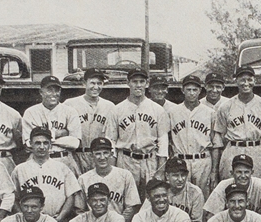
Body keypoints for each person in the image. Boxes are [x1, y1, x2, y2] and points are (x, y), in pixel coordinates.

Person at [110, 69, 170, 199]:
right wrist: (112, 169)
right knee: (126, 198)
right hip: (126, 159)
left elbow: (163, 141)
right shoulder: (117, 110)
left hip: (149, 160)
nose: (138, 85)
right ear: (128, 83)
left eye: (142, 81)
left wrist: (160, 170)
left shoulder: (158, 110)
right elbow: (111, 142)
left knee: (150, 199)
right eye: (134, 81)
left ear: (147, 84)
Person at [211, 65, 261, 183]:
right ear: (236, 81)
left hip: (257, 150)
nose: (246, 83)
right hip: (233, 149)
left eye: (249, 79)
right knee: (230, 187)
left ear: (255, 81)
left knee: (259, 187)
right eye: (242, 79)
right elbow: (220, 137)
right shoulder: (225, 106)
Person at [11, 127, 82, 222]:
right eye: (37, 143)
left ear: (50, 145)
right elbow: (13, 198)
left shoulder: (62, 168)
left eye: (45, 143)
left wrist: (59, 218)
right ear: (31, 144)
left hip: (56, 219)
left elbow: (70, 197)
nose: (42, 147)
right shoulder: (20, 169)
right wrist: (23, 217)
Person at [22, 75, 82, 175]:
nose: (53, 94)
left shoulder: (70, 111)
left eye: (57, 90)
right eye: (49, 90)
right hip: (38, 162)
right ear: (41, 92)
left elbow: (75, 143)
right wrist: (61, 133)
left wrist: (44, 138)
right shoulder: (31, 112)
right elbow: (28, 144)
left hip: (64, 159)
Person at [167, 74, 215, 197]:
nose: (192, 93)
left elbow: (215, 143)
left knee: (203, 196)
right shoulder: (173, 112)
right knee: (181, 196)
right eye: (188, 90)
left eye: (195, 90)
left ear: (200, 90)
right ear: (183, 90)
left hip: (202, 160)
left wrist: (214, 170)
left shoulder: (209, 113)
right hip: (181, 159)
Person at [77, 137, 141, 222]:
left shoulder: (125, 175)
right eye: (98, 154)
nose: (102, 157)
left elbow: (131, 207)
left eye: (105, 153)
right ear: (91, 156)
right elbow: (79, 210)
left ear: (111, 154)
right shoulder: (83, 179)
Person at [64, 69, 117, 174]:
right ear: (84, 83)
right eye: (92, 83)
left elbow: (112, 137)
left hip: (99, 156)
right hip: (77, 155)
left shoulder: (110, 106)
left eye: (99, 83)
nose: (96, 87)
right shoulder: (70, 104)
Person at [152, 157, 205, 222]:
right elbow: (144, 216)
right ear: (167, 176)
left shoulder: (195, 192)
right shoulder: (158, 190)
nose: (180, 179)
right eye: (175, 175)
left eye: (183, 175)